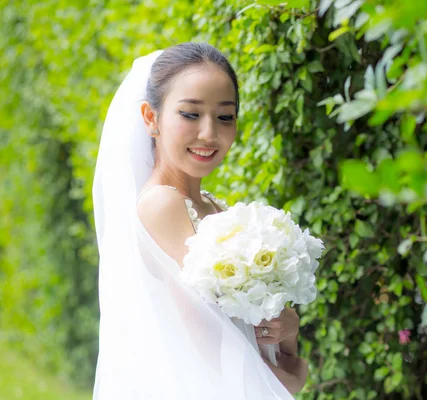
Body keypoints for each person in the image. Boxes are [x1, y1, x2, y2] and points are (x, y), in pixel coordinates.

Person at [92, 43, 308, 399]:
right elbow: (204, 339)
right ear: (151, 118)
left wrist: (286, 328)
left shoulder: (212, 207)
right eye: (190, 115)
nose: (209, 134)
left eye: (225, 116)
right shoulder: (162, 203)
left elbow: (251, 329)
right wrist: (282, 380)